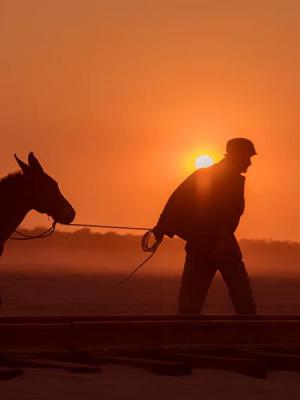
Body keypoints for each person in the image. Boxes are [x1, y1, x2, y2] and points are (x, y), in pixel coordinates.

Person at [153, 138, 257, 314]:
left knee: (192, 294)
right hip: (218, 243)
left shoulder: (206, 174)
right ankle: (252, 331)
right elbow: (225, 215)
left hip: (201, 242)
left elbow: (177, 198)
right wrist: (221, 241)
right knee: (240, 290)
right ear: (237, 156)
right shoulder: (228, 180)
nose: (250, 162)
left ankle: (184, 331)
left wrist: (163, 225)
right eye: (248, 157)